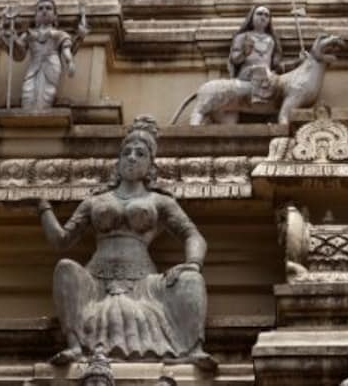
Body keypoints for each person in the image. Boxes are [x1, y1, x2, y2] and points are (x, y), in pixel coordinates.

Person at [37, 116, 217, 370]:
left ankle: (193, 348)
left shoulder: (160, 201)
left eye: (140, 154)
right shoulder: (95, 201)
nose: (132, 157)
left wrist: (193, 264)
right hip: (96, 281)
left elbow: (192, 235)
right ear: (118, 161)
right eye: (127, 152)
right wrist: (43, 207)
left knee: (191, 280)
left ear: (150, 167)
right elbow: (61, 240)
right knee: (65, 268)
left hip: (144, 283)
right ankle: (75, 345)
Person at [0, 0, 87, 110]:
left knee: (47, 94)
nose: (44, 11)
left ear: (55, 16)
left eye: (48, 8)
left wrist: (70, 62)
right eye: (40, 8)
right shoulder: (28, 34)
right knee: (28, 93)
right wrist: (11, 40)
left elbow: (66, 50)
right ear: (35, 16)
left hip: (51, 64)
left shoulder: (59, 34)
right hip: (34, 66)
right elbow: (19, 55)